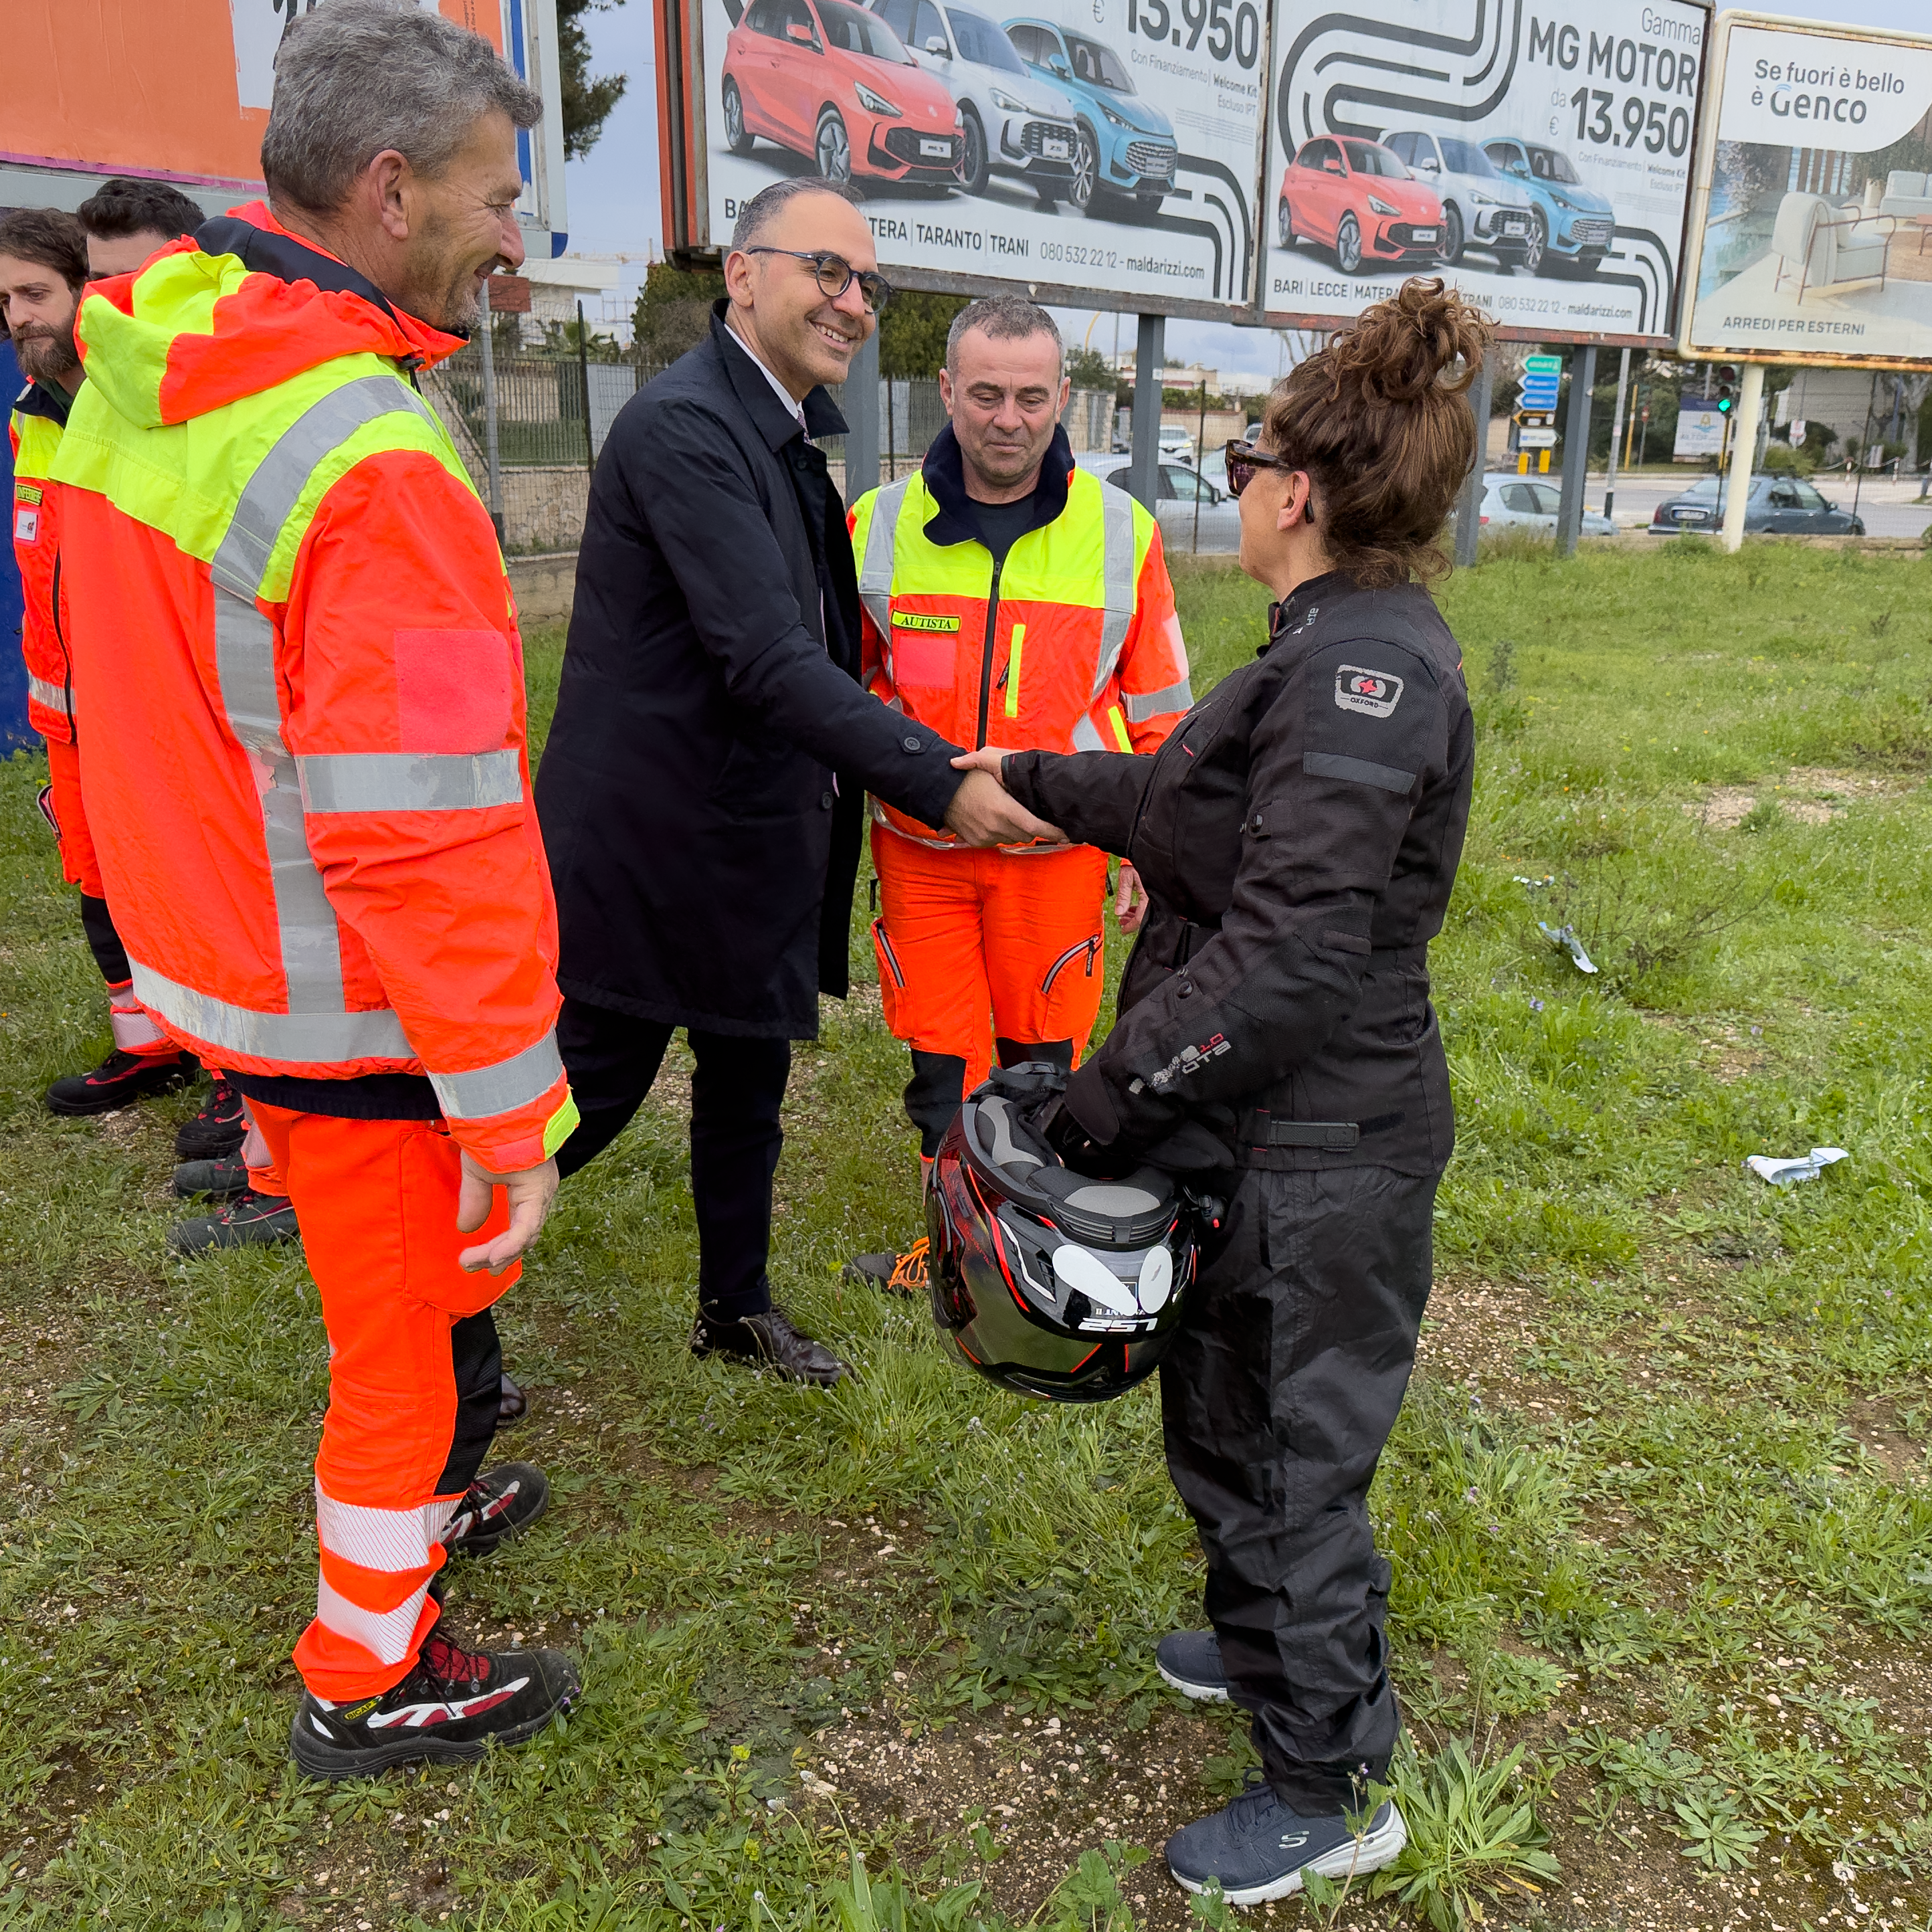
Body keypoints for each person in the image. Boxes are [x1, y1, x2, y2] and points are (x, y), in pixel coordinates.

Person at [54, 0, 580, 1777]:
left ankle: (410, 1538)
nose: (515, 237)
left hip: (228, 958)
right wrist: (516, 1103)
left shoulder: (170, 362)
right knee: (398, 1352)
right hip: (350, 1001)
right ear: (387, 189)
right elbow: (423, 823)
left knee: (392, 1328)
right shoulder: (368, 454)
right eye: (496, 197)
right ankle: (367, 1666)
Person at [957, 278, 1486, 1905]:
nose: (1237, 483)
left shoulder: (1363, 677)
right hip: (1265, 1138)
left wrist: (1093, 1104)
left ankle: (1328, 1783)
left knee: (1289, 1459)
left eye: (1249, 457)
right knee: (1231, 1422)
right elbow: (1191, 805)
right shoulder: (1320, 648)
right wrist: (1033, 780)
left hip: (1318, 1152)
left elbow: (1281, 966)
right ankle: (1264, 1638)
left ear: (1299, 492)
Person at [534, 178, 1056, 1387]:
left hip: (752, 838)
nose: (853, 299)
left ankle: (736, 1308)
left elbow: (819, 647)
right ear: (743, 273)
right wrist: (938, 781)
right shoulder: (686, 429)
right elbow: (768, 659)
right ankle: (433, 1304)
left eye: (867, 281)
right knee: (578, 1106)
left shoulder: (779, 428)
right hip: (657, 851)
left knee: (745, 1083)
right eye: (828, 270)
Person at [840, 296, 1190, 1296]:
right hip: (922, 857)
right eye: (985, 393)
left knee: (1044, 1067)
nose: (1008, 418)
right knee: (941, 1074)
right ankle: (953, 1258)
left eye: (1030, 396)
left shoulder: (1124, 533)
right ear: (946, 390)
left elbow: (1165, 719)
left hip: (1057, 861)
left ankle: (1036, 1255)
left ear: (1063, 397)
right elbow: (838, 698)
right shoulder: (877, 528)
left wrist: (1151, 853)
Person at [68, 175, 306, 1256]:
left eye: (138, 277)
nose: (108, 307)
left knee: (279, 952)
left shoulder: (249, 403)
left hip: (244, 740)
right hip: (155, 729)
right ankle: (262, 1134)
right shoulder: (99, 403)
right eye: (97, 282)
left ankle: (285, 1161)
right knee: (221, 946)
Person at [1, 209, 195, 1116]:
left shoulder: (141, 407)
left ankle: (238, 1077)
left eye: (35, 293)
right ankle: (148, 1045)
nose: (18, 317)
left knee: (191, 890)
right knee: (98, 882)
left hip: (150, 706)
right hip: (69, 709)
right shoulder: (31, 416)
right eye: (5, 300)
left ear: (92, 295)